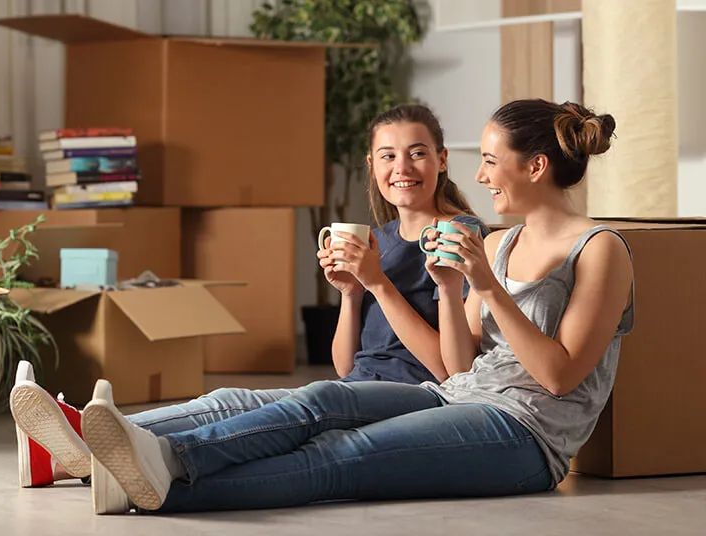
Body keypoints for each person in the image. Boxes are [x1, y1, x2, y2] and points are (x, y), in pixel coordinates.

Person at [75, 98, 634, 514]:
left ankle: (152, 484)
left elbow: (560, 377)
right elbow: (460, 369)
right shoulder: (500, 243)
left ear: (534, 167)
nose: (482, 175)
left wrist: (485, 288)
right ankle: (159, 455)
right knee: (320, 398)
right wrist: (446, 286)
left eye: (491, 161)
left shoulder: (600, 250)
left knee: (341, 456)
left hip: (527, 435)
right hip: (452, 397)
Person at [9, 104, 488, 509]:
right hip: (362, 387)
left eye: (417, 153)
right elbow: (348, 366)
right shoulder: (377, 239)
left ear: (442, 160)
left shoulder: (461, 235)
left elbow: (452, 373)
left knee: (315, 401)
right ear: (371, 164)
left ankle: (158, 454)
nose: (402, 167)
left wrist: (378, 283)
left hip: (421, 397)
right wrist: (351, 292)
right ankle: (68, 442)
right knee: (231, 400)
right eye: (388, 155)